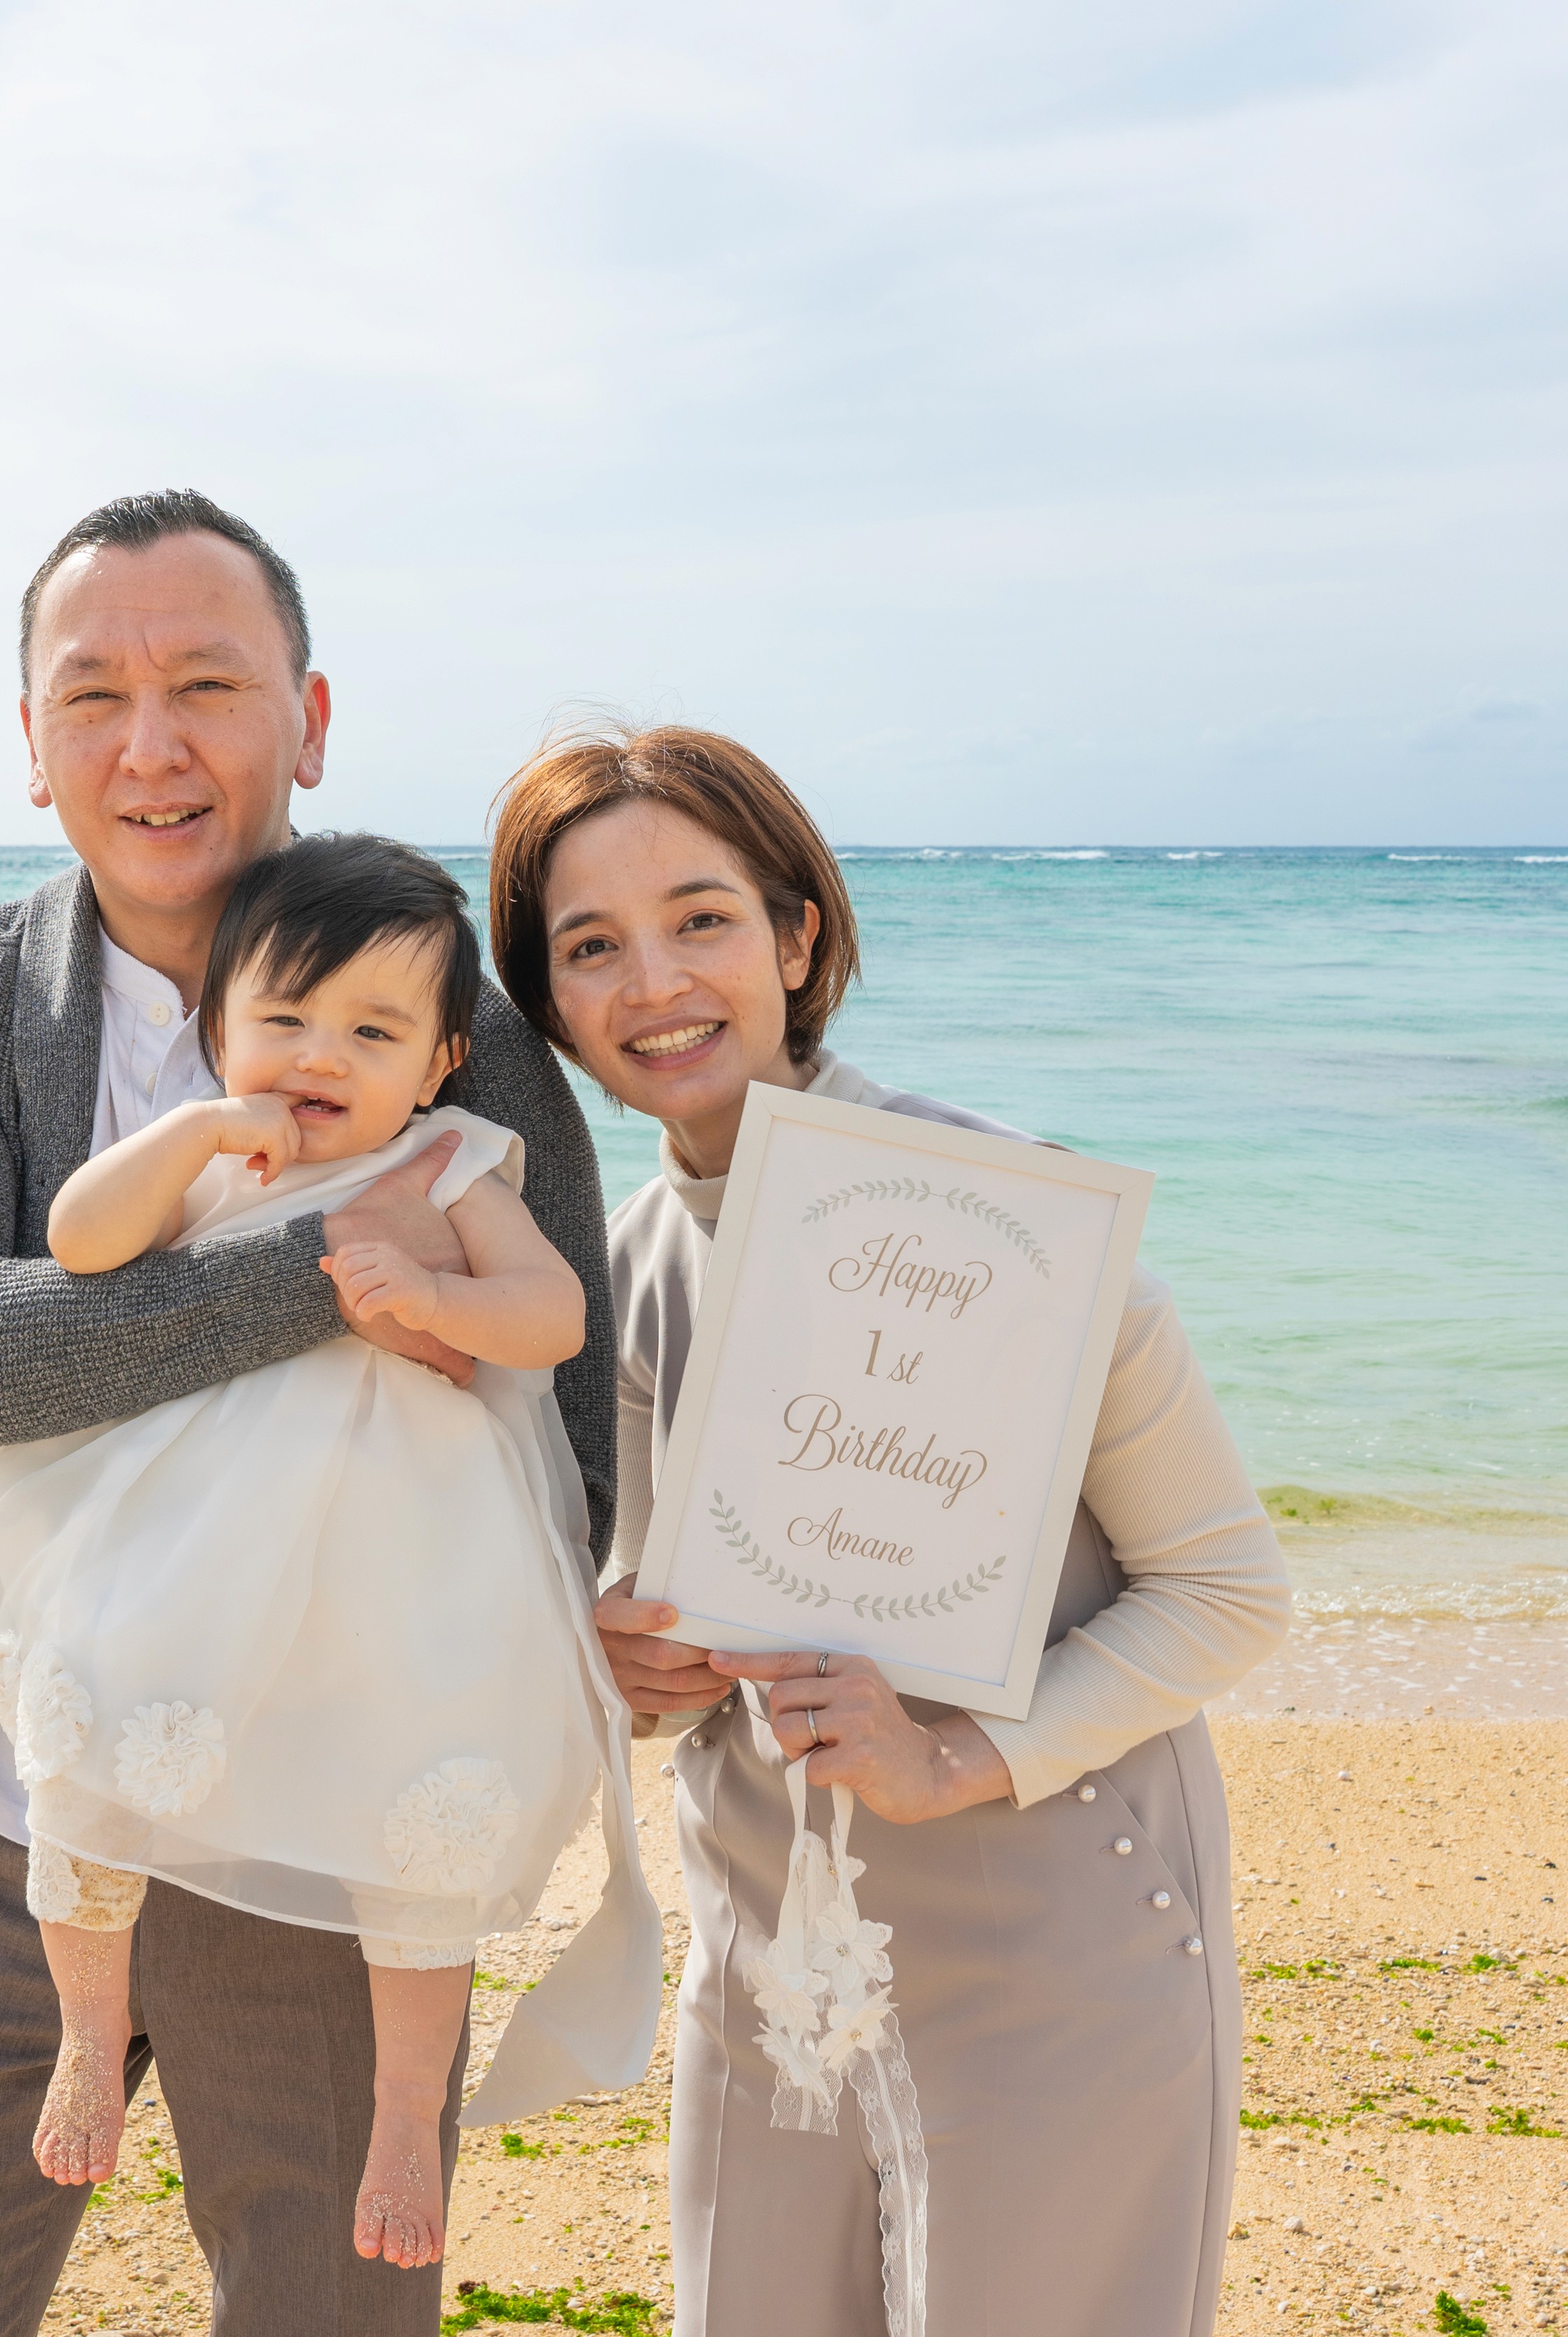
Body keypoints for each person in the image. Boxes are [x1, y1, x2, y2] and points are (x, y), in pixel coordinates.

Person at [0, 493, 617, 2337]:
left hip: (331, 1846)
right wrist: (334, 1268)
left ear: (309, 722)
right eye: (92, 695)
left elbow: (566, 1432)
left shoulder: (461, 1031)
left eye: (207, 684)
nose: (150, 745)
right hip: (13, 1817)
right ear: (33, 744)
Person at [485, 723, 1293, 2337]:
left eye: (701, 919)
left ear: (795, 939)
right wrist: (627, 1666)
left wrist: (954, 1759)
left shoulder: (1012, 1219)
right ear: (548, 1005)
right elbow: (659, 1609)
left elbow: (1223, 1591)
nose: (655, 983)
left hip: (1051, 1946)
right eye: (592, 946)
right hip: (767, 1965)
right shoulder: (609, 1271)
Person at [0, 831, 647, 2270]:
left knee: (417, 1810)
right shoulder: (206, 1148)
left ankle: (404, 2114)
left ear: (441, 1060)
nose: (321, 1056)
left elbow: (556, 1317)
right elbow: (80, 1246)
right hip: (189, 1539)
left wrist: (438, 1303)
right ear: (218, 1029)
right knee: (88, 1743)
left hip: (407, 1560)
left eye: (373, 1032)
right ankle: (88, 2027)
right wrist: (196, 1136)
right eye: (283, 1019)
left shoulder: (452, 1165)